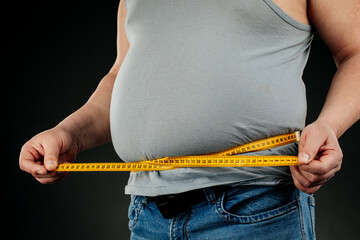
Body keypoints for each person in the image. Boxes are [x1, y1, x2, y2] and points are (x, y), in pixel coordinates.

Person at [19, 0, 359, 239]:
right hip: (148, 213)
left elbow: (355, 52)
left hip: (254, 205)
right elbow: (120, 75)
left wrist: (329, 124)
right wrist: (69, 133)